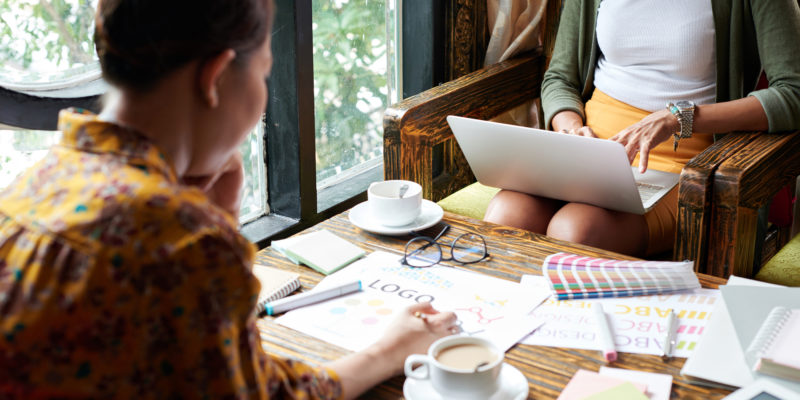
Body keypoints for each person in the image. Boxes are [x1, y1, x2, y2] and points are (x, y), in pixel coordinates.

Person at [0, 0, 458, 398]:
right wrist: (389, 350)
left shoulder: (31, 186)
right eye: (263, 72)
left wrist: (215, 217)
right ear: (215, 78)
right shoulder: (182, 240)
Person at [484, 0, 800, 257]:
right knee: (506, 214)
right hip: (591, 156)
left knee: (576, 231)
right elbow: (560, 78)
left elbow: (793, 94)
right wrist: (570, 127)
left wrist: (680, 117)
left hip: (682, 166)